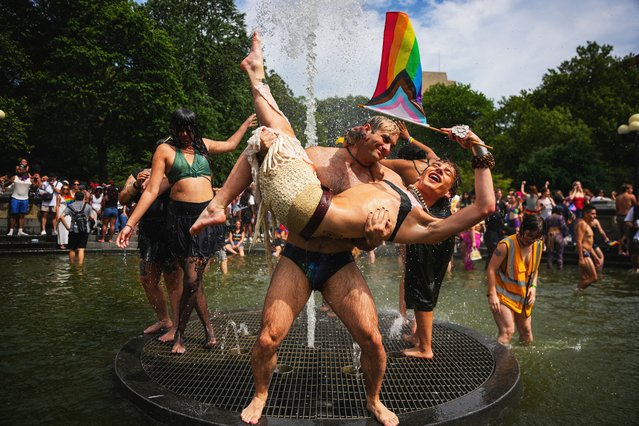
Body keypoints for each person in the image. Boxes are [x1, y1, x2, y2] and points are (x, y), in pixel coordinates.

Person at [190, 32, 494, 426]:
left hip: (337, 264)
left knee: (372, 340)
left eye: (390, 145)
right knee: (267, 338)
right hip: (298, 255)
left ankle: (373, 400)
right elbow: (279, 173)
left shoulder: (395, 190)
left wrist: (475, 149)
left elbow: (465, 198)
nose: (386, 150)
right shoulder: (331, 160)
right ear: (365, 130)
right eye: (382, 141)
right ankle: (261, 392)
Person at [117, 108, 257, 354]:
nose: (184, 133)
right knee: (195, 281)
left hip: (206, 217)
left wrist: (246, 123)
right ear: (173, 129)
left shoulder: (203, 145)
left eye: (189, 128)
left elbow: (231, 145)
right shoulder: (165, 151)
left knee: (192, 280)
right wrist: (130, 224)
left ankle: (180, 334)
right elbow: (151, 191)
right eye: (180, 129)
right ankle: (209, 332)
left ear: (194, 127)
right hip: (179, 221)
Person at [119, 166, 183, 340]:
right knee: (147, 279)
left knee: (173, 282)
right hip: (148, 232)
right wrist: (136, 186)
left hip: (170, 231)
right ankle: (164, 320)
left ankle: (177, 327)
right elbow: (122, 198)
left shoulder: (174, 172)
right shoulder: (138, 173)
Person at [486, 214, 544, 345]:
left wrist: (533, 288)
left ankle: (524, 363)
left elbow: (535, 270)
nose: (530, 241)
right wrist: (492, 294)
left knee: (527, 333)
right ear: (522, 228)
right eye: (529, 235)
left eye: (535, 238)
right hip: (502, 295)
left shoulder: (538, 245)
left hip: (522, 297)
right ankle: (498, 363)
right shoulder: (506, 245)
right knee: (508, 331)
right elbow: (490, 269)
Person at [61, 191, 93, 264]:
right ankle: (80, 267)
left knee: (72, 249)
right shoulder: (88, 206)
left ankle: (72, 265)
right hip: (84, 230)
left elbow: (61, 217)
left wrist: (67, 227)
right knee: (81, 248)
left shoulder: (70, 206)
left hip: (73, 230)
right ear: (83, 198)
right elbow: (92, 217)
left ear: (75, 197)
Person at [575, 205, 599, 290]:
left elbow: (589, 243)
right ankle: (576, 291)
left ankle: (580, 296)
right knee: (594, 277)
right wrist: (581, 258)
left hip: (587, 252)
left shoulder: (587, 225)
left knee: (584, 278)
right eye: (592, 214)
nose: (594, 216)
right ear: (585, 214)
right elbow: (578, 241)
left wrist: (595, 256)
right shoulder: (582, 224)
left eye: (595, 214)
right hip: (584, 253)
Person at [6, 161, 33, 236]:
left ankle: (20, 231)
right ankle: (11, 231)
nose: (19, 170)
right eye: (18, 169)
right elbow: (6, 185)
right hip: (15, 198)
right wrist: (6, 182)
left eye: (21, 169)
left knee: (22, 215)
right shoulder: (14, 177)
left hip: (25, 199)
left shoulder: (29, 179)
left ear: (25, 170)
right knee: (13, 215)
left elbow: (35, 187)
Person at [615, 184, 636, 255]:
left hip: (619, 217)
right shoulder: (631, 196)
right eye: (631, 189)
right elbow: (636, 206)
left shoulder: (618, 197)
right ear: (627, 189)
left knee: (620, 235)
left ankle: (620, 250)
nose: (632, 190)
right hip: (627, 217)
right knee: (629, 235)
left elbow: (617, 208)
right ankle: (628, 250)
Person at [624, 199, 639, 273]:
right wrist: (634, 226)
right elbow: (627, 221)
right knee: (635, 252)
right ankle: (635, 268)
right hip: (636, 236)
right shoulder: (634, 209)